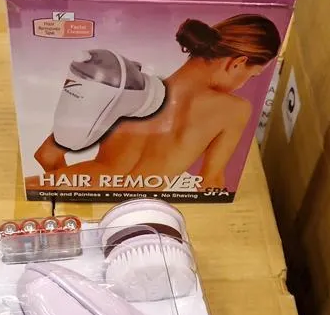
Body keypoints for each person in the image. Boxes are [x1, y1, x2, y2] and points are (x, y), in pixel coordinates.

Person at [32, 14, 281, 192]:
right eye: (252, 75)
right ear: (237, 63)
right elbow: (210, 183)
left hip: (74, 186)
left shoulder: (125, 86)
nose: (245, 83)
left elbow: (47, 155)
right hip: (140, 210)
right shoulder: (234, 110)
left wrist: (72, 193)